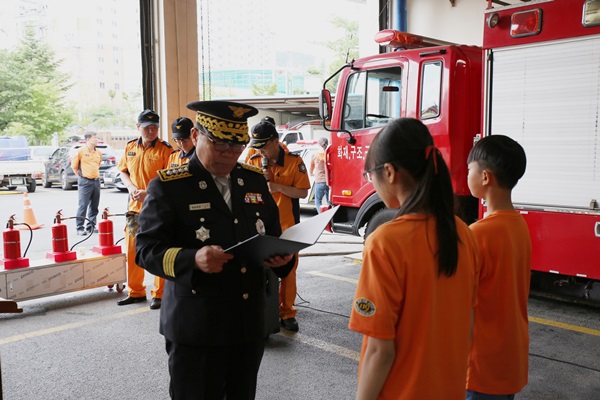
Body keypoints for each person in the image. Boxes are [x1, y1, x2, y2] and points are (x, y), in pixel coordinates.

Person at [135, 100, 295, 400]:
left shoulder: (253, 181)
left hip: (246, 324)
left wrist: (282, 258)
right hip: (196, 326)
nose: (229, 154)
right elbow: (145, 250)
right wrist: (192, 259)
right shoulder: (169, 186)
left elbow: (273, 236)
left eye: (237, 146)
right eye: (220, 144)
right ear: (196, 136)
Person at [348, 118, 481, 399]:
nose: (372, 183)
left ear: (389, 172)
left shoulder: (385, 243)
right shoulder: (463, 234)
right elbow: (468, 326)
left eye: (370, 175)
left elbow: (380, 351)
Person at [466, 135, 531, 400]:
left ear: (485, 177)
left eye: (469, 169)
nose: (467, 174)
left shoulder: (477, 234)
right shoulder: (519, 225)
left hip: (480, 366)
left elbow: (464, 306)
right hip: (510, 359)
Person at [246, 117, 311, 332]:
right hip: (258, 226)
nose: (261, 151)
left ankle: (287, 312)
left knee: (288, 271)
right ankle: (261, 309)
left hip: (287, 226)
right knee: (257, 269)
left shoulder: (294, 161)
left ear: (275, 141)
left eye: (264, 146)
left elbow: (303, 192)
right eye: (257, 146)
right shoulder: (253, 159)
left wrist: (278, 186)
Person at [116, 109, 173, 310]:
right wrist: (131, 188)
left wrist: (147, 194)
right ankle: (136, 291)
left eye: (155, 127)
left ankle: (159, 293)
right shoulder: (130, 147)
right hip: (134, 210)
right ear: (138, 127)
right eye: (147, 127)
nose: (151, 131)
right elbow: (123, 171)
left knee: (158, 250)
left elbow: (170, 181)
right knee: (132, 250)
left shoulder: (166, 150)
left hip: (157, 208)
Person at [71, 131, 102, 236]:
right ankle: (80, 227)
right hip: (85, 181)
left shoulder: (98, 152)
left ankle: (91, 226)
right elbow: (74, 166)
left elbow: (98, 165)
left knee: (94, 206)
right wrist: (82, 176)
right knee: (83, 205)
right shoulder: (80, 151)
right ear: (88, 139)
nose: (96, 140)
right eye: (95, 138)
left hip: (96, 181)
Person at [309, 137, 331, 213]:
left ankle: (322, 216)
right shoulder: (328, 154)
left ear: (319, 144)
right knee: (329, 201)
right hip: (328, 181)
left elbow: (311, 167)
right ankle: (330, 216)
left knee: (318, 201)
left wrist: (311, 173)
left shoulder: (315, 155)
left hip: (319, 180)